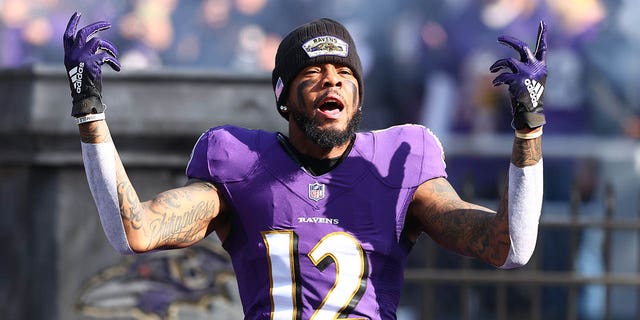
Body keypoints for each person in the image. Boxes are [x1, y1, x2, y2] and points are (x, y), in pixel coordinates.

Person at [64, 11, 546, 319]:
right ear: (283, 97)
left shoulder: (401, 164)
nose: (330, 83)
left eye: (343, 75)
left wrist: (529, 131)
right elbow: (135, 231)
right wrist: (91, 116)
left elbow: (510, 247)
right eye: (313, 74)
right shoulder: (242, 163)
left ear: (359, 97)